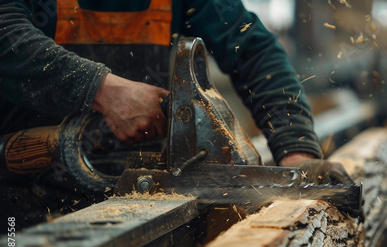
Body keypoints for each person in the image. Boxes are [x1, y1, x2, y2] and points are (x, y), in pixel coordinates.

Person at [0, 0, 349, 224]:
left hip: (137, 197)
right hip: (21, 194)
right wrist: (102, 90)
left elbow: (254, 51)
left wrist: (297, 153)